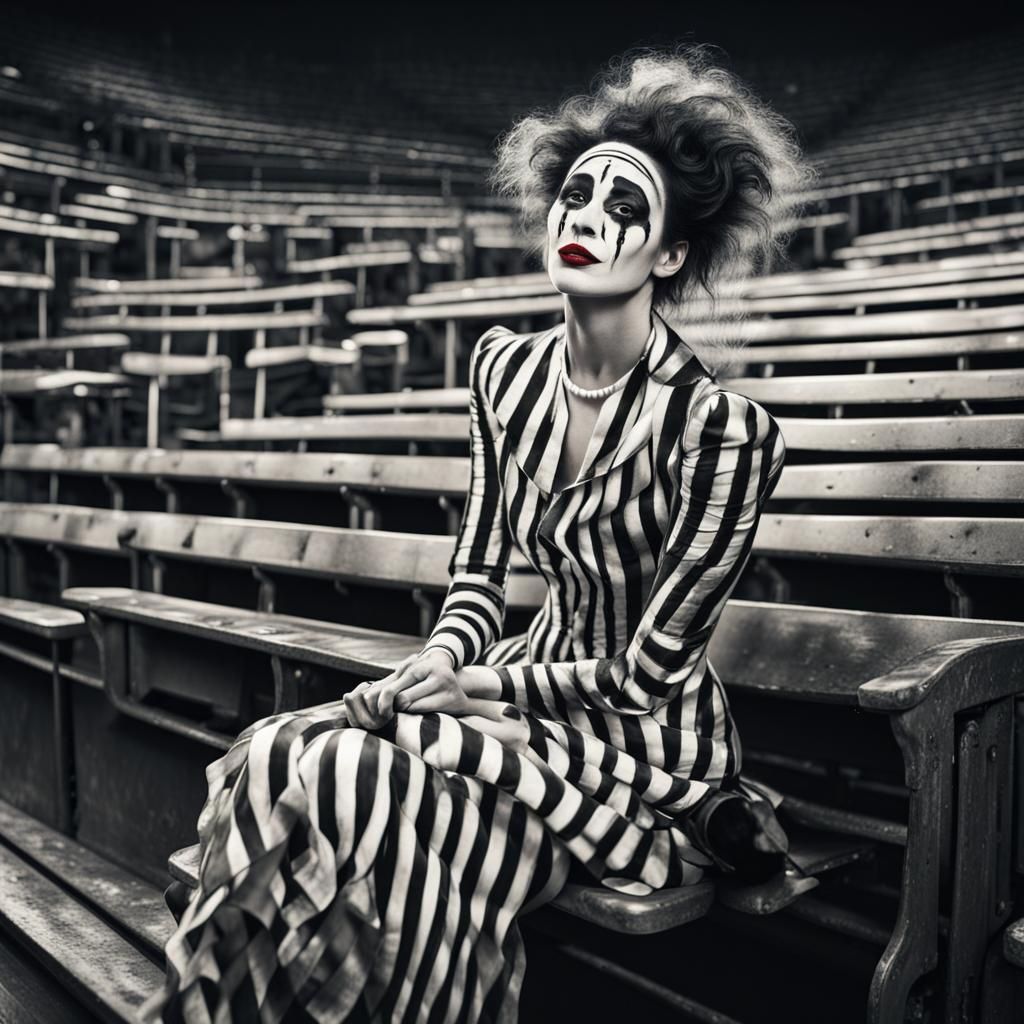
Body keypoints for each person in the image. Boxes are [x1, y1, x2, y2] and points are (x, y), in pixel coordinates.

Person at [144, 46, 811, 1024]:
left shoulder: (722, 431)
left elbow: (648, 676)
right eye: (577, 193)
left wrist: (478, 685)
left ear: (669, 255)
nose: (587, 214)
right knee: (279, 754)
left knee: (341, 770)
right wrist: (442, 661)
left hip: (635, 752)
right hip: (504, 692)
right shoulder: (502, 371)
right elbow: (476, 576)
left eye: (626, 207)